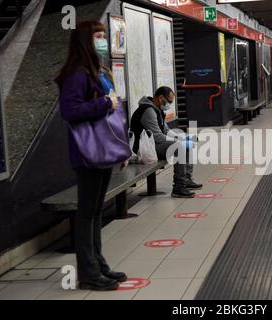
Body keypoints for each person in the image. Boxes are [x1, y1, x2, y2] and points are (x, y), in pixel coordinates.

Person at [56, 21, 128, 291]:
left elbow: (114, 115)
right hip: (88, 152)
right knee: (87, 213)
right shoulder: (77, 74)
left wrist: (121, 148)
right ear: (86, 40)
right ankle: (88, 272)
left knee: (97, 211)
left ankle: (99, 265)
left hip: (104, 149)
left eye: (103, 36)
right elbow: (70, 111)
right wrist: (103, 102)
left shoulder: (98, 70)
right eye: (98, 36)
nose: (103, 40)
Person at [130, 86, 202, 198]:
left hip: (152, 146)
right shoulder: (148, 111)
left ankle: (186, 179)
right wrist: (178, 141)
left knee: (187, 143)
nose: (169, 105)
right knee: (179, 147)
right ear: (161, 98)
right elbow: (158, 137)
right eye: (169, 102)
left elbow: (166, 130)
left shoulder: (157, 110)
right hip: (143, 150)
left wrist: (182, 138)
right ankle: (179, 187)